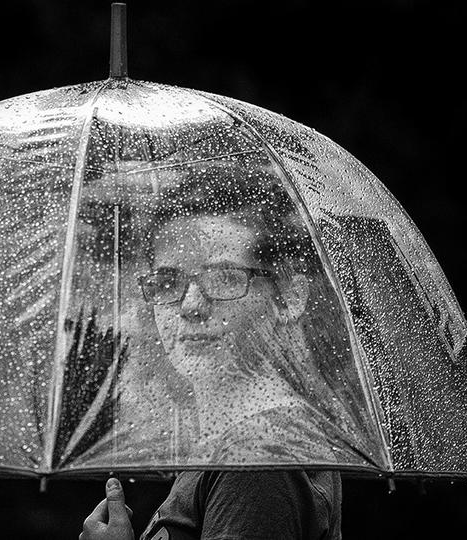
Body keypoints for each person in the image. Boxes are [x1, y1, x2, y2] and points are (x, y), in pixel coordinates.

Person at [82, 165, 355, 540]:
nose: (191, 305)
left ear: (291, 297)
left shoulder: (257, 456)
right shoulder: (227, 442)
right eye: (168, 281)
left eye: (224, 277)